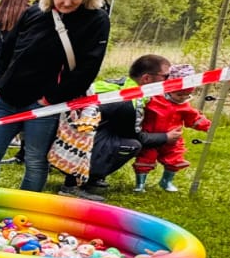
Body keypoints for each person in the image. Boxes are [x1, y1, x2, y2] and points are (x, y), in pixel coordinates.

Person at [0, 0, 109, 192]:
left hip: (46, 102)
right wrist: (0, 82)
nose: (67, 3)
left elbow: (88, 68)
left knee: (36, 159)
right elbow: (9, 48)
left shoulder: (97, 20)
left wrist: (52, 98)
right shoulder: (36, 11)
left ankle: (24, 207)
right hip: (9, 96)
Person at [65, 54, 176, 199]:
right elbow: (137, 136)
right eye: (166, 76)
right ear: (146, 78)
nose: (169, 80)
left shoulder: (120, 84)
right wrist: (166, 137)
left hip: (68, 136)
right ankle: (73, 184)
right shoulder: (130, 101)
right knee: (131, 145)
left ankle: (90, 177)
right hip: (73, 146)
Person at [133, 62, 211, 192]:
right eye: (179, 95)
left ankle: (166, 181)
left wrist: (206, 126)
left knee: (175, 159)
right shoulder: (154, 99)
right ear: (169, 89)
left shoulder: (184, 105)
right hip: (151, 137)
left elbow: (193, 118)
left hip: (173, 140)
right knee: (145, 159)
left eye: (187, 95)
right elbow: (139, 110)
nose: (183, 98)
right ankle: (140, 184)